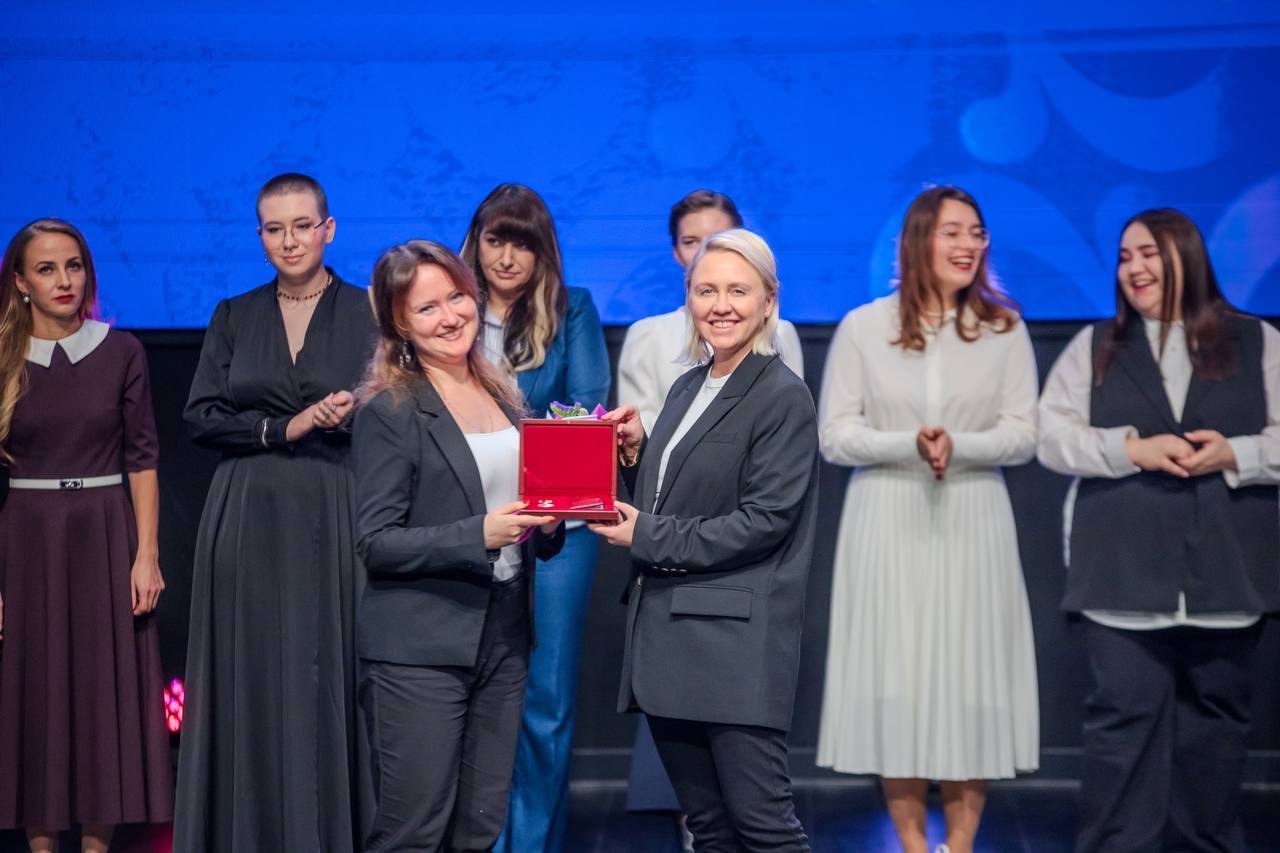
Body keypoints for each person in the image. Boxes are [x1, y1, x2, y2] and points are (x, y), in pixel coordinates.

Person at [1038, 208, 1280, 852]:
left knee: (1216, 737)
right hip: (1119, 578)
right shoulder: (1096, 345)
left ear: (1187, 257)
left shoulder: (1256, 341)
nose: (1134, 268)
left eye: (1148, 253)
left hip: (1227, 576)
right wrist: (1129, 449)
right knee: (1121, 735)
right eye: (1124, 257)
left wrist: (1235, 454)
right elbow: (1050, 436)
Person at [814, 186, 1040, 853]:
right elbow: (835, 435)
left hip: (973, 514)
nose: (969, 244)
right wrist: (908, 442)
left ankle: (961, 844)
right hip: (887, 516)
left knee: (972, 680)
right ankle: (913, 845)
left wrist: (958, 444)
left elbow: (1025, 433)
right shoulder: (864, 327)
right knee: (898, 681)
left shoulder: (1004, 328)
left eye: (977, 232)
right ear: (918, 241)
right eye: (953, 232)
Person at [590, 228, 819, 852]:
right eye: (706, 290)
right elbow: (683, 494)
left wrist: (647, 533)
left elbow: (763, 522)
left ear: (769, 300)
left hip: (731, 646)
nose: (720, 305)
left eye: (738, 291)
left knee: (765, 829)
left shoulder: (782, 396)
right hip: (670, 636)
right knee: (710, 829)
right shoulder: (690, 384)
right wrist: (637, 455)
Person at [175, 173, 376, 852]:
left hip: (335, 502)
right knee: (251, 673)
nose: (289, 240)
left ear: (329, 229)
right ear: (260, 236)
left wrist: (354, 413)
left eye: (302, 225)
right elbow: (201, 416)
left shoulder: (369, 312)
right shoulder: (234, 314)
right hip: (247, 510)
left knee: (331, 670)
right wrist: (282, 428)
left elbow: (399, 408)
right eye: (274, 228)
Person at [351, 239, 564, 851]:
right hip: (422, 646)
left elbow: (523, 509)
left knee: (478, 828)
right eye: (427, 308)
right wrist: (480, 534)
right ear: (400, 324)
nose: (449, 317)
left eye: (456, 298)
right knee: (414, 831)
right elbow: (376, 542)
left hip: (504, 634)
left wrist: (549, 524)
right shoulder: (390, 411)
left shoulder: (502, 394)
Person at [0, 218, 171, 853]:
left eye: (73, 265)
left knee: (105, 697)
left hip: (104, 534)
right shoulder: (4, 357)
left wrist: (146, 555)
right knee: (36, 695)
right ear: (21, 283)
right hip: (28, 541)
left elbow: (143, 459)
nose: (64, 280)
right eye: (46, 269)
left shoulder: (121, 351)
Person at [459, 183, 610, 853]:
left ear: (543, 250)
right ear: (477, 241)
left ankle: (529, 845)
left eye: (523, 243)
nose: (508, 257)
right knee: (471, 694)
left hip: (557, 530)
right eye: (497, 239)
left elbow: (586, 413)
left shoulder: (572, 309)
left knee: (544, 702)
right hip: (464, 525)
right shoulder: (449, 310)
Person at [617, 189, 804, 434]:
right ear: (676, 252)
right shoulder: (647, 335)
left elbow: (789, 425)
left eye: (719, 238)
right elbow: (639, 432)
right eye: (691, 242)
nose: (707, 250)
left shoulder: (780, 332)